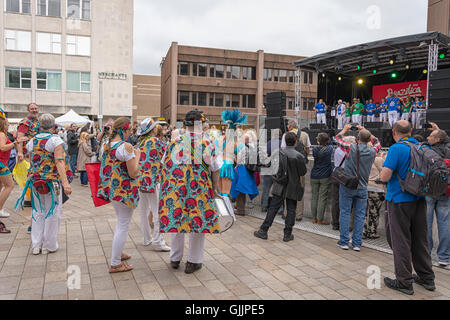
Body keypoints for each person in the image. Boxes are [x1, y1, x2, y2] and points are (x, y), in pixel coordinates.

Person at [159, 109, 221, 274]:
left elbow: (163, 163)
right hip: (198, 188)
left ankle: (175, 258)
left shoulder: (174, 142)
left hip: (175, 187)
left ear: (185, 124)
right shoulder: (207, 143)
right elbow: (215, 168)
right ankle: (193, 261)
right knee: (197, 222)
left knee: (178, 219)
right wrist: (215, 188)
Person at [380, 120, 435, 295]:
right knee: (420, 239)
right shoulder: (423, 148)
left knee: (400, 239)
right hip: (419, 199)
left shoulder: (396, 149)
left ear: (394, 132)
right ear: (411, 131)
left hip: (398, 199)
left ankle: (404, 281)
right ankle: (427, 278)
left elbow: (385, 176)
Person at [16, 114, 72, 255]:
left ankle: (36, 245)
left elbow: (32, 160)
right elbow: (59, 162)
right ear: (53, 125)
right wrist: (66, 184)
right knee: (53, 212)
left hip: (35, 181)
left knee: (38, 211)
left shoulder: (33, 140)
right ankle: (49, 245)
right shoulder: (55, 140)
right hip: (52, 181)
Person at [97, 117, 141, 273]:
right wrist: (138, 156)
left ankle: (118, 253)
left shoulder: (106, 145)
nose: (130, 134)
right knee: (123, 224)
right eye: (129, 131)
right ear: (124, 130)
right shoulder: (126, 146)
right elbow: (133, 172)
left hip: (111, 190)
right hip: (124, 191)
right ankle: (115, 263)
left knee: (120, 223)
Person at [335, 124, 381, 251]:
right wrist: (365, 131)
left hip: (348, 185)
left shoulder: (351, 148)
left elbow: (337, 139)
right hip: (362, 187)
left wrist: (345, 129)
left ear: (357, 138)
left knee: (345, 212)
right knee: (360, 215)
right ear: (368, 140)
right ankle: (356, 243)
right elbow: (377, 142)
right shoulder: (373, 151)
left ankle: (344, 242)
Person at [254, 132, 307, 242]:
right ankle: (287, 234)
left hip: (280, 184)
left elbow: (270, 167)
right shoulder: (299, 156)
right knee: (291, 209)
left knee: (273, 208)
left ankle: (264, 230)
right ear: (296, 142)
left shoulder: (277, 153)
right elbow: (303, 172)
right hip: (293, 186)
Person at [136, 117, 170, 252]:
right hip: (153, 180)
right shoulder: (156, 141)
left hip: (140, 180)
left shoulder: (141, 142)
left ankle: (146, 238)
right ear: (152, 129)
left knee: (143, 210)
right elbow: (170, 153)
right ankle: (158, 241)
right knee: (158, 211)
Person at [424, 123, 450, 268]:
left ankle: (426, 254)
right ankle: (444, 258)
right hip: (446, 191)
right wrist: (438, 130)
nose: (428, 137)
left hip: (430, 191)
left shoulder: (429, 151)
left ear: (437, 140)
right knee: (444, 224)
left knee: (426, 224)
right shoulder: (448, 149)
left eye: (431, 136)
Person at [0, 108, 26, 220]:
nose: (8, 126)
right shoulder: (1, 134)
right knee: (9, 186)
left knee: (1, 186)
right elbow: (2, 147)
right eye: (7, 124)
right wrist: (15, 143)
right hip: (1, 164)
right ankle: (0, 209)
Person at [17, 103, 40, 215]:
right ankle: (28, 198)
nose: (34, 110)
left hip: (38, 153)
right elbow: (19, 137)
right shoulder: (25, 122)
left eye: (36, 108)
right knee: (30, 174)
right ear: (28, 110)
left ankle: (31, 197)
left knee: (33, 174)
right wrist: (20, 152)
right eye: (32, 108)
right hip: (28, 154)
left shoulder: (38, 121)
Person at [331, 135, 356, 231]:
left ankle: (335, 223)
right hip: (346, 177)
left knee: (335, 201)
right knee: (346, 202)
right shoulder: (350, 151)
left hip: (336, 175)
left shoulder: (337, 150)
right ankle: (344, 224)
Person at [231, 132, 259, 216]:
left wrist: (234, 159)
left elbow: (239, 160)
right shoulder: (253, 147)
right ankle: (239, 207)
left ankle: (240, 209)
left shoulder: (244, 148)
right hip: (248, 170)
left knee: (240, 190)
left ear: (247, 139)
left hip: (242, 169)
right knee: (242, 190)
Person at [310, 133, 333, 225]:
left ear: (318, 141)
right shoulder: (330, 149)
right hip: (325, 176)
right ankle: (320, 219)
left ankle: (313, 218)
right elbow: (332, 141)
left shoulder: (315, 149)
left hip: (314, 175)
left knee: (314, 197)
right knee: (322, 198)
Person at [363, 149, 386, 239]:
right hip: (377, 188)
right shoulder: (378, 159)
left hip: (365, 187)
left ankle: (363, 231)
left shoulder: (363, 159)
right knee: (374, 211)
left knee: (364, 211)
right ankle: (372, 232)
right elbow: (384, 172)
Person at [261, 129, 282, 212]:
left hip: (268, 168)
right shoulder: (282, 144)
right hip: (278, 169)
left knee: (266, 188)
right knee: (278, 189)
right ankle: (279, 209)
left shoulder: (268, 143)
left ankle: (264, 206)